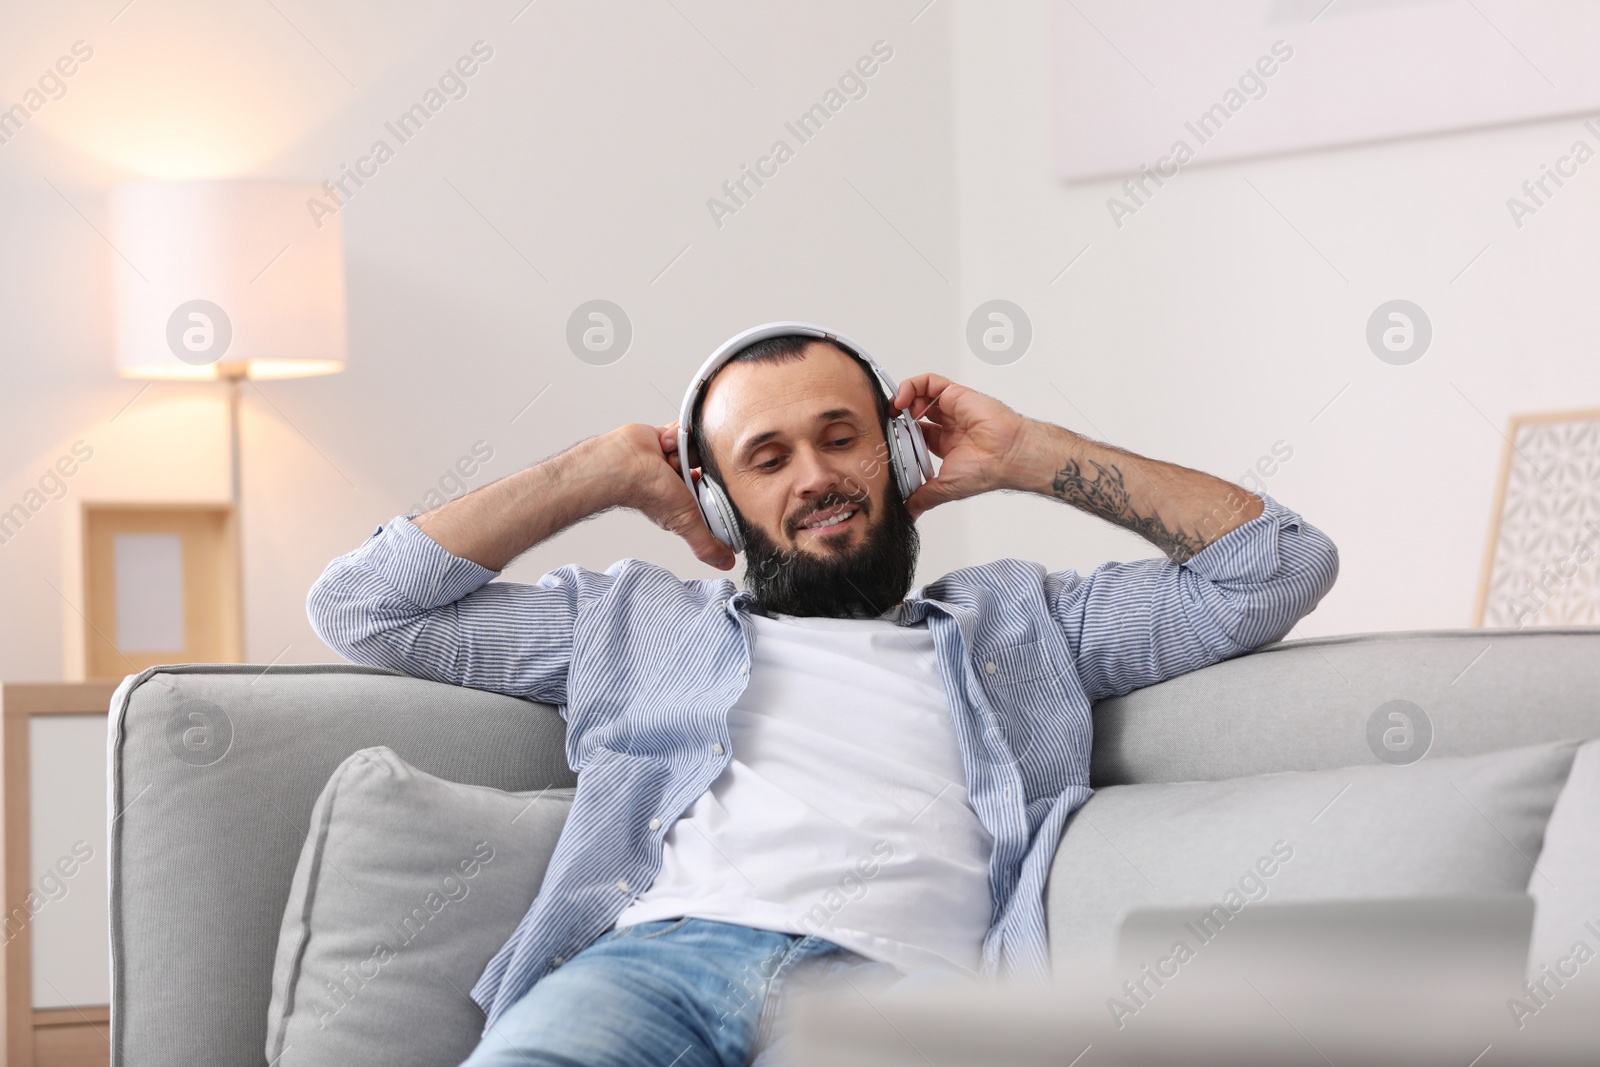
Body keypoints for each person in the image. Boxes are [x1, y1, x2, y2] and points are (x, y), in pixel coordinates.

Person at [307, 327, 1339, 1066]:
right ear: (716, 499)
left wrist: (1032, 454)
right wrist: (600, 471)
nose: (815, 474)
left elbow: (1276, 567)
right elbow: (364, 609)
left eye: (840, 437)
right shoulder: (631, 623)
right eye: (766, 457)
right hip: (657, 962)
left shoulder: (1023, 622)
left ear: (892, 454)